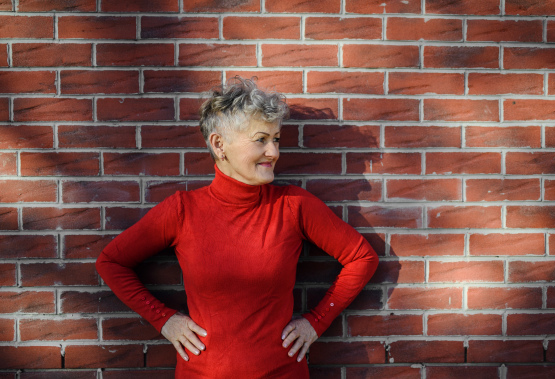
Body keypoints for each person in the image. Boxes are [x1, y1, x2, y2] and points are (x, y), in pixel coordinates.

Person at [95, 77, 379, 378]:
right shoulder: (182, 211)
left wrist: (317, 320)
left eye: (277, 139)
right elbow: (111, 262)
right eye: (261, 139)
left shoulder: (294, 206)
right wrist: (164, 320)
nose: (274, 152)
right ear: (220, 145)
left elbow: (362, 258)